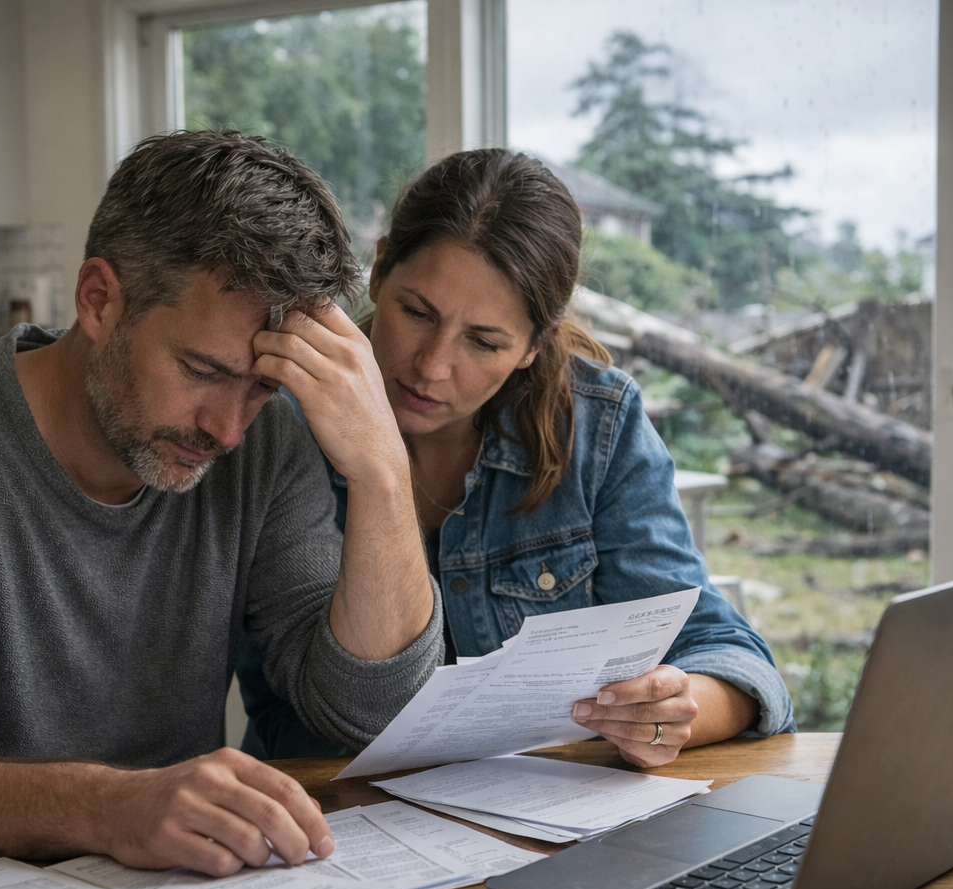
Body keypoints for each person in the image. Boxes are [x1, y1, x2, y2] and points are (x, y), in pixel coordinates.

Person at [0, 131, 444, 877]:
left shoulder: (268, 445)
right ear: (100, 299)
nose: (227, 429)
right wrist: (104, 807)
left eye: (262, 386)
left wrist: (382, 472)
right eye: (201, 370)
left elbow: (368, 712)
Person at [240, 149, 794, 766]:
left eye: (484, 342)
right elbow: (346, 714)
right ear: (378, 272)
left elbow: (726, 652)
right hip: (325, 815)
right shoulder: (275, 422)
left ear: (533, 345)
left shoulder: (594, 426)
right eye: (416, 312)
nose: (433, 366)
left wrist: (672, 711)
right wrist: (380, 469)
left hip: (545, 820)